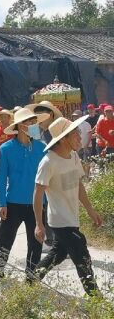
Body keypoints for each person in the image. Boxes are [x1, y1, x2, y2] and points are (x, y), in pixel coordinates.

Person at [33, 116, 103, 296]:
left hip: (73, 217)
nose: (80, 138)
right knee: (81, 253)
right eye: (76, 134)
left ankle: (31, 280)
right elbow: (38, 194)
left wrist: (90, 210)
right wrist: (39, 224)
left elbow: (78, 185)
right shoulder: (48, 162)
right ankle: (95, 296)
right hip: (59, 220)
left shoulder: (73, 156)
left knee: (58, 253)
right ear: (63, 138)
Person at [0, 108, 49, 280]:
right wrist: (2, 202)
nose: (32, 125)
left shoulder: (42, 148)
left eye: (34, 122)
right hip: (13, 202)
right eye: (29, 122)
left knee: (36, 240)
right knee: (5, 238)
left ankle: (31, 274)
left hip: (37, 203)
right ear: (19, 125)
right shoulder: (6, 148)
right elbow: (1, 177)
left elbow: (48, 176)